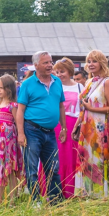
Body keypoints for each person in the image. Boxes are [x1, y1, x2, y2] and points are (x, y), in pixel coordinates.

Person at [17, 51, 67, 205]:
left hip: (50, 132)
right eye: (45, 62)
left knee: (53, 167)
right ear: (36, 65)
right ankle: (35, 201)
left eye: (51, 62)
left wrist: (64, 128)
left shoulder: (57, 82)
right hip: (32, 130)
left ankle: (55, 200)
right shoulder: (27, 84)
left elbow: (60, 106)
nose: (50, 65)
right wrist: (20, 133)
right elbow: (20, 110)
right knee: (32, 169)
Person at [73, 50, 109, 197]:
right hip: (87, 127)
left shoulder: (107, 82)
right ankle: (89, 193)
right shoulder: (89, 82)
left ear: (102, 63)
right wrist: (77, 124)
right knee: (87, 159)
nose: (91, 64)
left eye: (94, 61)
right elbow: (83, 105)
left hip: (101, 128)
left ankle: (102, 194)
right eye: (89, 61)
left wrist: (92, 108)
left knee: (99, 159)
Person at [46, 57, 83, 198]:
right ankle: (53, 190)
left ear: (70, 71)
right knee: (55, 157)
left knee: (71, 157)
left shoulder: (79, 87)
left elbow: (83, 109)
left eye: (62, 71)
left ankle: (71, 191)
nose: (59, 74)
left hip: (73, 125)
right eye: (57, 71)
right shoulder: (53, 86)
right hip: (56, 125)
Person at [0, 74, 22, 205]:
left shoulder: (13, 105)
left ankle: (13, 199)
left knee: (11, 169)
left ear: (9, 89)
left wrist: (20, 135)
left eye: (1, 88)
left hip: (9, 141)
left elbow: (17, 122)